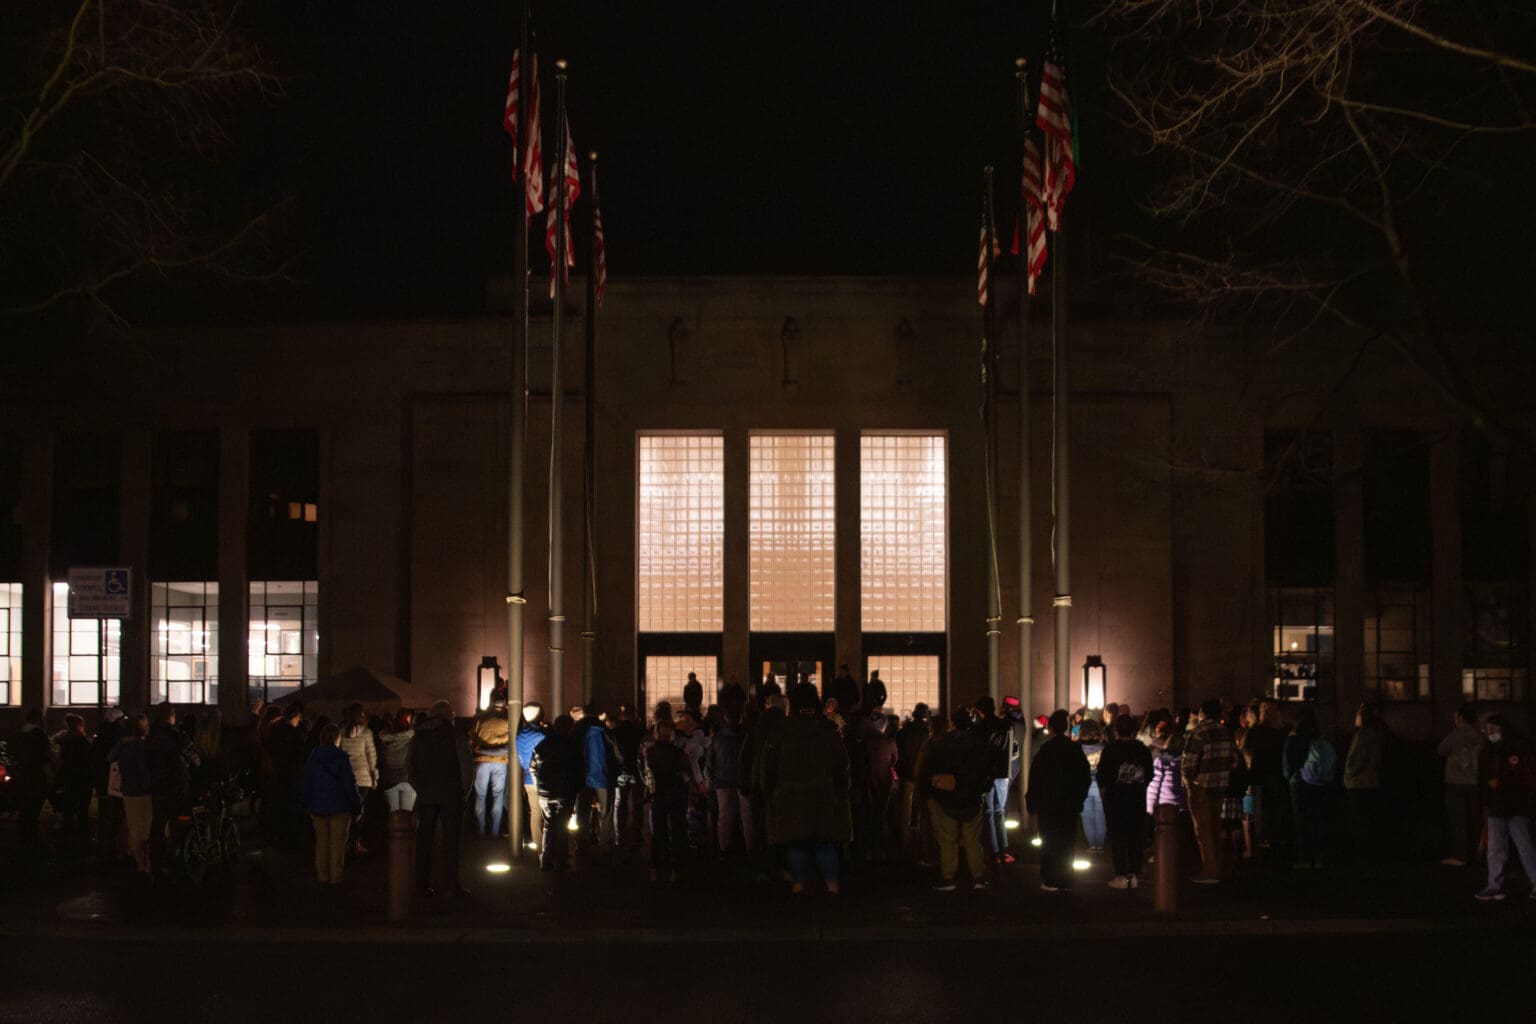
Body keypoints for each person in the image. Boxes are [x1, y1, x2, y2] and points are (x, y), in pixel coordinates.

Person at [761, 682, 852, 895]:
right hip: (824, 794)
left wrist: (771, 792)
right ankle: (832, 887)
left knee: (796, 843)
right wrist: (841, 791)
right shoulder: (828, 731)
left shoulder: (781, 731)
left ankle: (799, 885)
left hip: (790, 795)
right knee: (825, 843)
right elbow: (843, 764)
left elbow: (769, 766)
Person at [920, 707, 998, 891]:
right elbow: (988, 770)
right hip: (971, 797)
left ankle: (949, 877)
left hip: (945, 797)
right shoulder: (979, 744)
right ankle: (978, 876)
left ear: (952, 723)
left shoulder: (943, 744)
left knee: (947, 839)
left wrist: (929, 791)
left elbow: (929, 768)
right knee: (972, 840)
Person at [410, 700, 473, 898]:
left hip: (426, 795)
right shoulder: (455, 735)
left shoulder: (418, 736)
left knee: (424, 840)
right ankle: (451, 886)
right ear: (448, 716)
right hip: (451, 793)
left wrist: (419, 788)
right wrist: (463, 792)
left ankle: (421, 883)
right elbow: (466, 767)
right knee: (451, 842)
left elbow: (410, 766)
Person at [1026, 709, 1090, 893]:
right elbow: (1084, 777)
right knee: (1067, 842)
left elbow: (1036, 778)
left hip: (1049, 804)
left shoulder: (1046, 750)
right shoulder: (1075, 750)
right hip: (1069, 803)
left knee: (1049, 842)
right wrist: (1079, 799)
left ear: (1051, 728)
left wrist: (1032, 802)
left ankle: (1050, 879)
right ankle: (1066, 879)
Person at [1474, 715, 1536, 902]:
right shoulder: (1487, 750)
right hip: (1496, 806)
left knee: (1525, 847)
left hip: (1516, 806)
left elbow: (1526, 777)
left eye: (1493, 728)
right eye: (1487, 729)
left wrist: (1501, 783)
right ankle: (1494, 886)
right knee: (1495, 849)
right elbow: (1482, 778)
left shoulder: (1518, 747)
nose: (1489, 732)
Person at [1181, 698, 1238, 884]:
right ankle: (1218, 866)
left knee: (1203, 830)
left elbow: (1188, 763)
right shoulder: (1226, 732)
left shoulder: (1198, 733)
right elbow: (1234, 760)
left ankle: (1210, 871)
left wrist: (1189, 782)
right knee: (1216, 826)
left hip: (1201, 786)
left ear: (1202, 713)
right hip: (1221, 784)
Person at [300, 722, 363, 885]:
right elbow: (350, 784)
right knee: (338, 844)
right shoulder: (341, 758)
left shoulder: (313, 757)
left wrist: (307, 803)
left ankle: (322, 876)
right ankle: (336, 877)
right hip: (340, 807)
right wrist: (357, 805)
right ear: (337, 738)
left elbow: (306, 783)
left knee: (321, 843)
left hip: (317, 806)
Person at [1098, 713, 1154, 889]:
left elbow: (1102, 777)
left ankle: (1121, 875)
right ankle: (1135, 873)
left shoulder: (1111, 750)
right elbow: (1150, 774)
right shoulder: (1142, 749)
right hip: (1137, 798)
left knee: (1118, 838)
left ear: (1116, 730)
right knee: (1136, 837)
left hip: (1116, 799)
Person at [145, 702, 200, 876]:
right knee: (180, 822)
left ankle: (156, 863)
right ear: (171, 715)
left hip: (156, 786)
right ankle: (176, 857)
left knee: (158, 825)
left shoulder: (150, 736)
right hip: (176, 785)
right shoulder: (177, 735)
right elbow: (193, 758)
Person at [530, 715, 584, 871]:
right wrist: (577, 787)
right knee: (562, 827)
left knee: (548, 825)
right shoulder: (572, 745)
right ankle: (561, 860)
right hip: (565, 791)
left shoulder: (543, 744)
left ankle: (545, 860)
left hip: (546, 792)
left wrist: (539, 786)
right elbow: (579, 769)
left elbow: (533, 768)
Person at [1283, 708, 1333, 869]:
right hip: (1319, 784)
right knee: (1318, 819)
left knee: (1301, 821)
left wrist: (1291, 777)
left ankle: (1304, 858)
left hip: (1298, 783)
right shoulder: (1319, 738)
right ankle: (1320, 857)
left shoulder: (1294, 738)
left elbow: (1287, 765)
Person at [642, 718, 690, 881]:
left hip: (659, 795)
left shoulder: (651, 752)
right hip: (676, 794)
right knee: (676, 831)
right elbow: (684, 774)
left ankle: (654, 867)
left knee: (658, 833)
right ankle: (675, 868)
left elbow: (647, 775)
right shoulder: (677, 752)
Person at [1438, 702, 1483, 867]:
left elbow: (1441, 750)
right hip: (1475, 781)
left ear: (1460, 718)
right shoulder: (1480, 736)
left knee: (1458, 819)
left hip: (1456, 782)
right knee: (1474, 818)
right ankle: (1476, 853)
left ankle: (1460, 856)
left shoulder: (1456, 734)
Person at [1343, 702, 1387, 866]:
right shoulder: (1377, 735)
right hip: (1372, 782)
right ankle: (1371, 855)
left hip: (1358, 784)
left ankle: (1361, 857)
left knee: (1359, 820)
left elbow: (1357, 760)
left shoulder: (1362, 736)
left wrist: (1349, 774)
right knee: (1369, 820)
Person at [110, 713, 154, 875]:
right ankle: (145, 863)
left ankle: (139, 862)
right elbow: (145, 769)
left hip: (128, 789)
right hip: (144, 790)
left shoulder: (124, 745)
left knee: (134, 827)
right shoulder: (142, 746)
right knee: (146, 827)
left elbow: (110, 757)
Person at [706, 705, 754, 854]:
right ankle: (750, 850)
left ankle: (724, 850)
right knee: (747, 819)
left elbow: (710, 762)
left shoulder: (718, 738)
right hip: (743, 782)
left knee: (725, 818)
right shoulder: (747, 735)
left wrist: (711, 780)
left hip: (723, 781)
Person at [469, 692, 511, 838]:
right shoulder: (508, 719)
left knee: (480, 797)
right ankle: (494, 832)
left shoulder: (480, 718)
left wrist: (480, 749)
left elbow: (471, 739)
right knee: (498, 797)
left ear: (491, 702)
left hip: (482, 761)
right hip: (501, 762)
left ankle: (480, 831)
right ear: (504, 703)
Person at [338, 702, 378, 855]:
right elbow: (371, 756)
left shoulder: (341, 731)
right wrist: (374, 777)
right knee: (359, 811)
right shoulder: (366, 732)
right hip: (363, 778)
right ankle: (356, 842)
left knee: (346, 811)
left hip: (346, 777)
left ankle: (345, 842)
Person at [12, 708, 53, 849]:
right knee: (34, 808)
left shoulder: (19, 734)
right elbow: (45, 756)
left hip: (23, 775)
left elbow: (14, 754)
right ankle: (32, 838)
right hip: (36, 775)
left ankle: (24, 836)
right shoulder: (39, 735)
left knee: (25, 807)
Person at [92, 708, 127, 866]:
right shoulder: (117, 738)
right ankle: (111, 854)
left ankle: (103, 853)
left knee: (104, 818)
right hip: (114, 785)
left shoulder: (99, 738)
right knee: (114, 820)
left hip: (101, 784)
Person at [609, 703, 645, 847]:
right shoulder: (639, 731)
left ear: (621, 715)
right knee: (638, 803)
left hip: (620, 772)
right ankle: (636, 833)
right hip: (637, 772)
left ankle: (619, 835)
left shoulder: (615, 732)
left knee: (619, 804)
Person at [863, 713, 898, 862]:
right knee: (881, 815)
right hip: (885, 780)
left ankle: (868, 849)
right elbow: (894, 760)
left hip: (868, 779)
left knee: (869, 815)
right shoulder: (889, 742)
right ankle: (881, 849)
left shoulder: (865, 743)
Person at [577, 704, 612, 851]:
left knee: (582, 812)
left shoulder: (578, 732)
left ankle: (582, 842)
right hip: (602, 776)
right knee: (605, 810)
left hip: (583, 777)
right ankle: (603, 841)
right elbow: (614, 754)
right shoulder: (605, 732)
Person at [55, 713, 94, 844]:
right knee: (82, 808)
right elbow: (89, 760)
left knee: (68, 807)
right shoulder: (82, 742)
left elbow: (60, 759)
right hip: (82, 778)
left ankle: (66, 832)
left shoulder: (64, 741)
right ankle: (83, 833)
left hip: (68, 777)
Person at [895, 704, 931, 845]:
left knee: (905, 809)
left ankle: (905, 838)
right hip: (921, 774)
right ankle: (919, 838)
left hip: (906, 773)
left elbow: (899, 752)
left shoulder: (904, 731)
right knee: (919, 808)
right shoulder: (926, 733)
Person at [515, 702, 547, 852]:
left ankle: (539, 846)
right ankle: (548, 847)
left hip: (528, 780)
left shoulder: (519, 735)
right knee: (549, 815)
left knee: (534, 814)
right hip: (544, 780)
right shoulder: (541, 735)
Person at [377, 708, 416, 812]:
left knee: (393, 813)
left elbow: (381, 760)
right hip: (407, 778)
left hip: (389, 779)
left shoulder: (384, 741)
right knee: (407, 813)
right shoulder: (412, 739)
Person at [1077, 718, 1107, 853]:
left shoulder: (1078, 747)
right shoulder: (1104, 746)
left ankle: (1092, 845)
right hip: (1100, 784)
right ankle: (1100, 845)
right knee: (1100, 816)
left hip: (1083, 784)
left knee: (1087, 816)